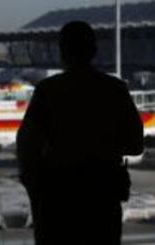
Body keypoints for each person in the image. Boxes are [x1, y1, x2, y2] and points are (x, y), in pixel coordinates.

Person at [17, 21, 144, 245]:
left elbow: (27, 145)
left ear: (62, 52)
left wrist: (36, 190)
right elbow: (135, 145)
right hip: (102, 200)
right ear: (94, 50)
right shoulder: (115, 90)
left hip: (58, 201)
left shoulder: (47, 90)